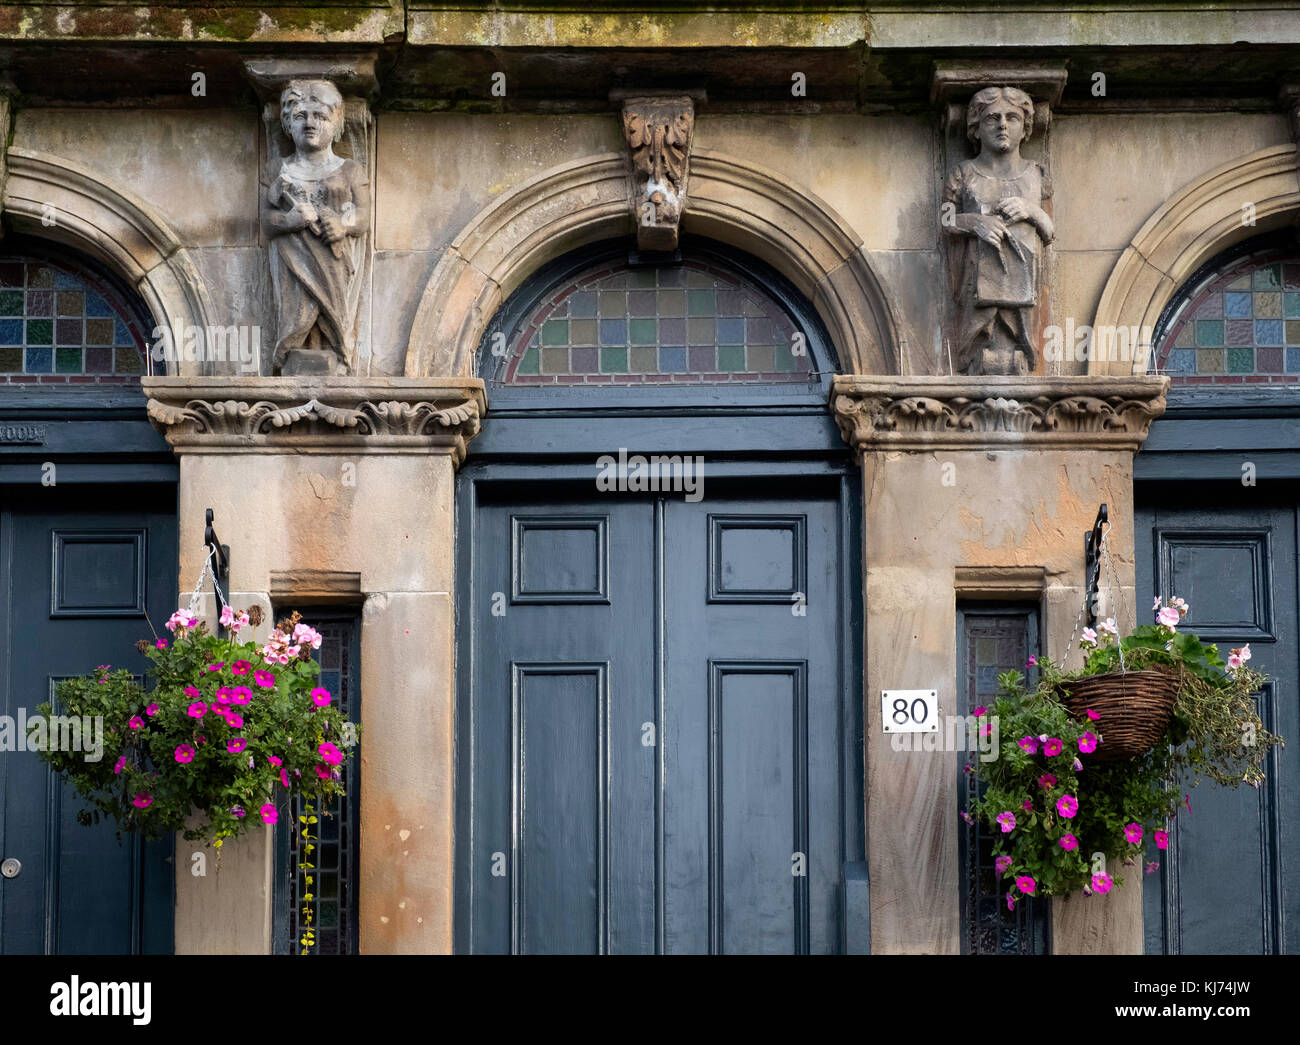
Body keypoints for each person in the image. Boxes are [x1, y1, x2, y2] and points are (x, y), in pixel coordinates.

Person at [943, 86, 1054, 375]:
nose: (1002, 124)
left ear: (1025, 128)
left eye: (1012, 118)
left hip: (1023, 283)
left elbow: (1050, 231)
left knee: (1024, 349)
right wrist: (976, 223)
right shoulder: (964, 172)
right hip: (978, 283)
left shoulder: (1036, 174)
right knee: (976, 349)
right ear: (976, 129)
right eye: (992, 118)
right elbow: (946, 219)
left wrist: (1032, 211)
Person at [262, 79, 370, 374]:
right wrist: (290, 220)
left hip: (331, 257)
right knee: (295, 311)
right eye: (300, 116)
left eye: (320, 116)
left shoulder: (350, 170)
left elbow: (363, 215)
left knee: (333, 307)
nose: (310, 124)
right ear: (286, 124)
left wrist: (343, 224)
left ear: (336, 123)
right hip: (292, 257)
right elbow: (266, 221)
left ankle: (334, 353)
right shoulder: (278, 169)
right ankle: (295, 355)